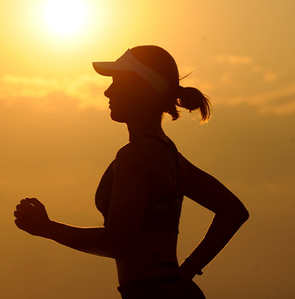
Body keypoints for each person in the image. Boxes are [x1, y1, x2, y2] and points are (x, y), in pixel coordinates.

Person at [13, 45, 249, 299]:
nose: (107, 91)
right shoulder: (169, 154)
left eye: (117, 82)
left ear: (141, 87)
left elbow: (118, 243)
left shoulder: (136, 155)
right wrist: (189, 269)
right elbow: (233, 211)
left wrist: (47, 228)